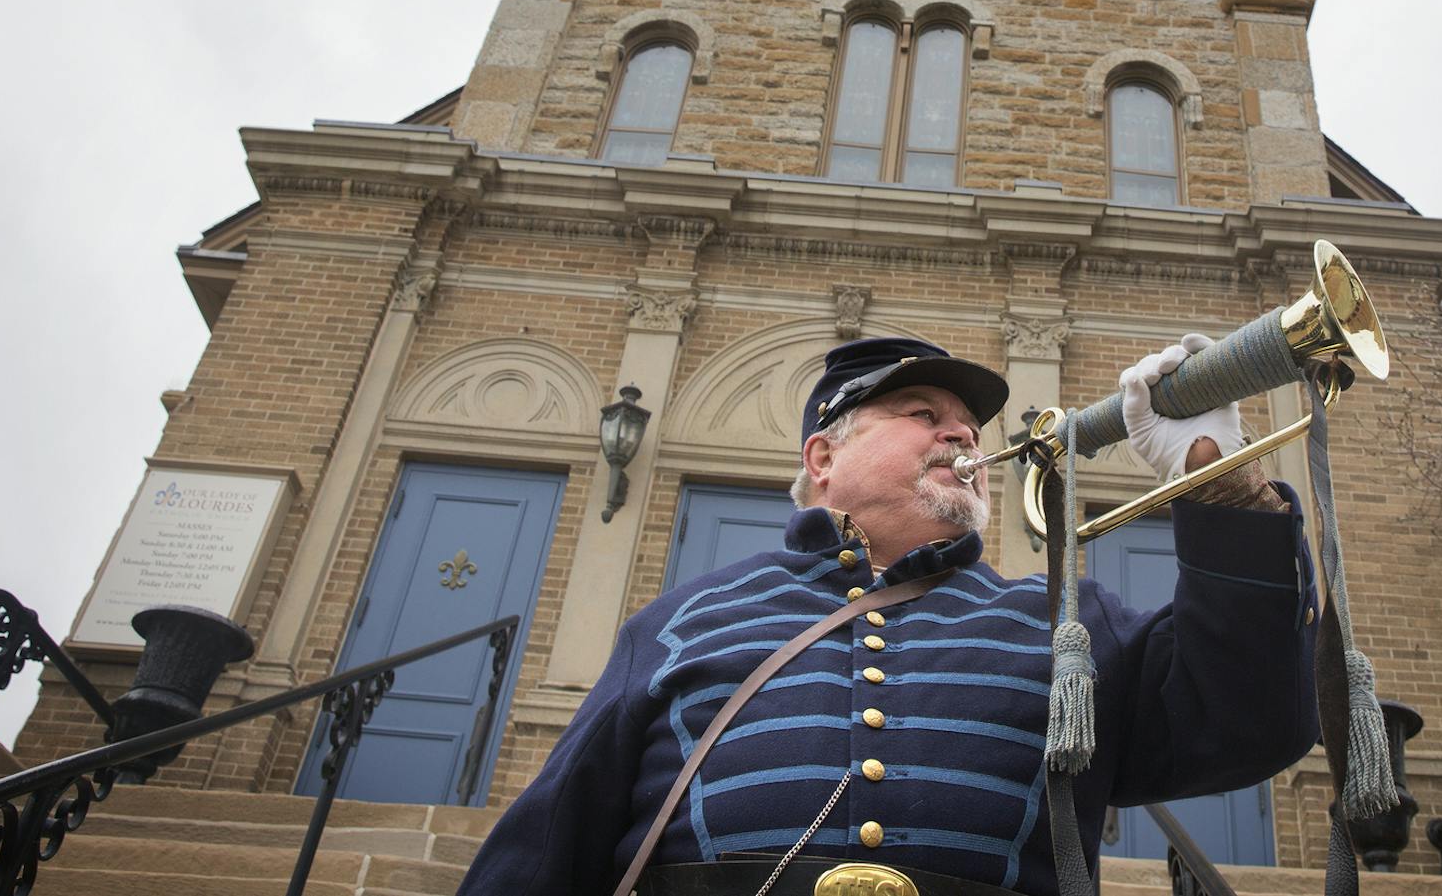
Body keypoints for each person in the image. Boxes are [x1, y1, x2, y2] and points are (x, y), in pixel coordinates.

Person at [460, 334, 1319, 896]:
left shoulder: (1065, 619)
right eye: (924, 416)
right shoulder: (686, 619)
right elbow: (543, 852)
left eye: (968, 425)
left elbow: (1248, 720)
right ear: (824, 456)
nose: (963, 437)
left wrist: (1217, 473)